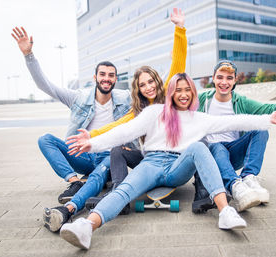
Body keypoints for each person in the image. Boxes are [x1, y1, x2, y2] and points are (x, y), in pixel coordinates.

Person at [60, 73, 276, 250]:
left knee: (199, 147)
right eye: (178, 90)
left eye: (187, 90)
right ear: (171, 92)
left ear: (193, 93)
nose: (182, 94)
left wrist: (266, 119)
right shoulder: (155, 112)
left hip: (178, 167)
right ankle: (86, 227)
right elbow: (124, 131)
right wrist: (93, 142)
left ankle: (225, 212)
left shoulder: (200, 119)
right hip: (151, 163)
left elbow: (235, 122)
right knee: (123, 191)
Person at [66, 8, 187, 213]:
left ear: (157, 82)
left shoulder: (167, 96)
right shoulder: (138, 111)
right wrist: (92, 135)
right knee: (117, 150)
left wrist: (179, 29)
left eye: (150, 82)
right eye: (142, 85)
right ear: (138, 89)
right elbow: (115, 126)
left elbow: (177, 64)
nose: (148, 87)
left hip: (172, 159)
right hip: (148, 159)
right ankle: (117, 194)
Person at [11, 27, 132, 231]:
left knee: (98, 175)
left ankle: (72, 206)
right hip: (83, 155)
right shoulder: (78, 97)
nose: (107, 78)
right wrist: (28, 55)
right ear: (95, 78)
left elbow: (152, 92)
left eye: (111, 75)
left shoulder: (125, 98)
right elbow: (45, 86)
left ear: (115, 79)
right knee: (45, 139)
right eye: (102, 74)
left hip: (109, 157)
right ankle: (75, 181)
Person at [192, 60, 276, 213]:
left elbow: (270, 109)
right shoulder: (202, 100)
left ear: (235, 80)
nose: (224, 82)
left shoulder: (241, 102)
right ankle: (235, 186)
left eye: (229, 78)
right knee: (217, 146)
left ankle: (248, 178)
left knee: (261, 128)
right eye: (220, 77)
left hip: (233, 154)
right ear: (213, 78)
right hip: (212, 155)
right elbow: (178, 105)